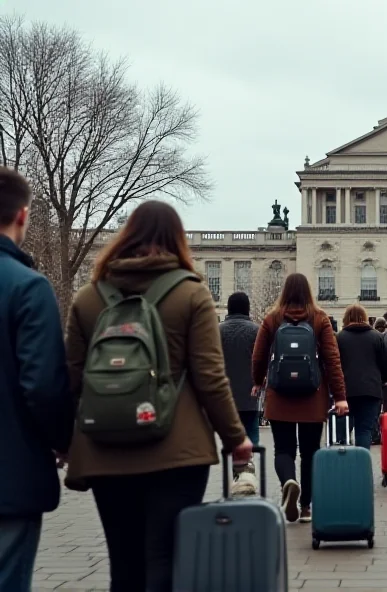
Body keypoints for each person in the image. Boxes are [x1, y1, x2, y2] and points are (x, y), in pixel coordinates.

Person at [63, 201, 252, 592]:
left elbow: (72, 379)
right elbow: (210, 378)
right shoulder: (190, 294)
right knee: (165, 559)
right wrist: (236, 438)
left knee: (124, 565)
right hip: (176, 451)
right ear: (176, 241)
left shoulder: (88, 298)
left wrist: (64, 441)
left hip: (105, 447)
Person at [0, 168, 74, 591]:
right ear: (23, 217)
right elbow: (44, 386)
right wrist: (65, 441)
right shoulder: (28, 288)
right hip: (10, 474)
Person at [252, 273, 347, 524]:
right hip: (312, 397)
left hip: (279, 394)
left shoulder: (272, 318)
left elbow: (259, 356)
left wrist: (257, 380)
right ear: (308, 292)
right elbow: (332, 360)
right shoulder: (320, 318)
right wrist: (340, 397)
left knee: (283, 450)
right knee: (310, 452)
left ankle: (288, 482)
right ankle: (306, 507)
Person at [219, 292, 261, 496]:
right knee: (251, 433)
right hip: (250, 392)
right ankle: (248, 472)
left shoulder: (218, 330)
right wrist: (259, 383)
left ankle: (238, 474)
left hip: (226, 394)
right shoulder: (256, 330)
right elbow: (261, 360)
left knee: (232, 436)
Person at [336, 304, 387, 449]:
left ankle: (342, 464)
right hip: (371, 390)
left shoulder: (339, 338)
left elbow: (333, 364)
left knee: (343, 431)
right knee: (364, 431)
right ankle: (362, 466)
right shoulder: (377, 337)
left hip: (345, 391)